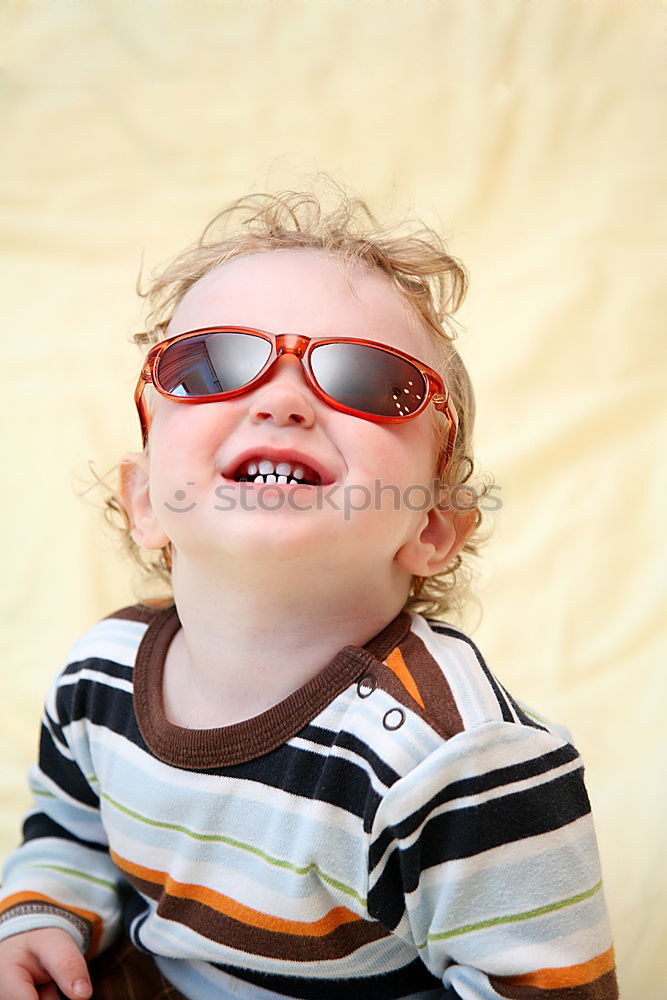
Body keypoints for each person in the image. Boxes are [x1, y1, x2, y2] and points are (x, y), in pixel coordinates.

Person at [0, 188, 618, 999]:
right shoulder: (100, 679)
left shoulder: (454, 761)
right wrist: (47, 916)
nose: (282, 399)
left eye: (368, 380)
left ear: (430, 526)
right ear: (147, 498)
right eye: (212, 365)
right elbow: (73, 828)